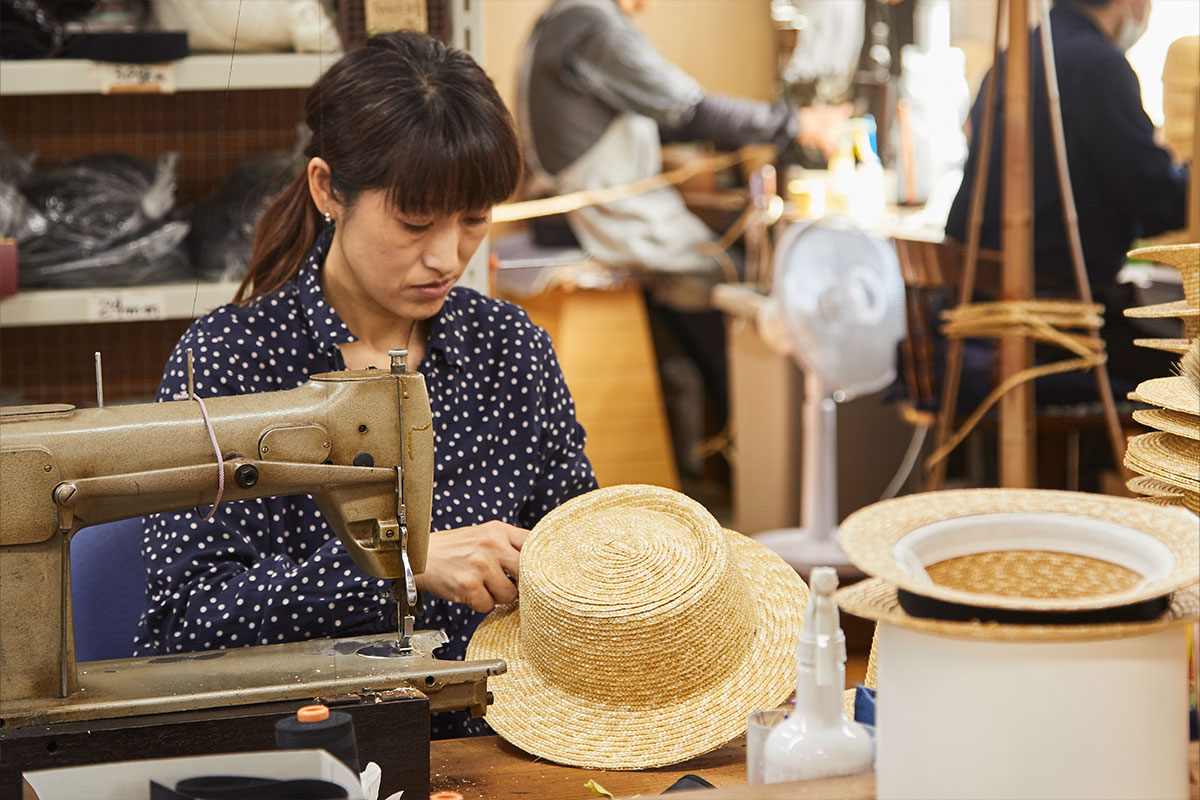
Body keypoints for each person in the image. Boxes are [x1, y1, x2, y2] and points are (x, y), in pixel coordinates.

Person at [132, 32, 599, 738]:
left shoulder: (511, 349)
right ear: (328, 189)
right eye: (414, 222)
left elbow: (579, 555)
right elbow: (186, 624)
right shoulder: (229, 361)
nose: (447, 257)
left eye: (474, 221)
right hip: (301, 749)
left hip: (501, 742)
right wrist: (401, 564)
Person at [519, 0, 849, 475]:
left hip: (588, 202)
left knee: (703, 273)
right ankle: (741, 456)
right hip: (602, 208)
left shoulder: (561, 15)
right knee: (724, 270)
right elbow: (687, 107)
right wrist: (798, 124)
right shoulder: (593, 24)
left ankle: (715, 451)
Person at [945, 0, 1191, 395]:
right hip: (1052, 329)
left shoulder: (1012, 57)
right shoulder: (1100, 67)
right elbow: (1157, 198)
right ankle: (1113, 459)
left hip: (978, 322)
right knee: (1186, 370)